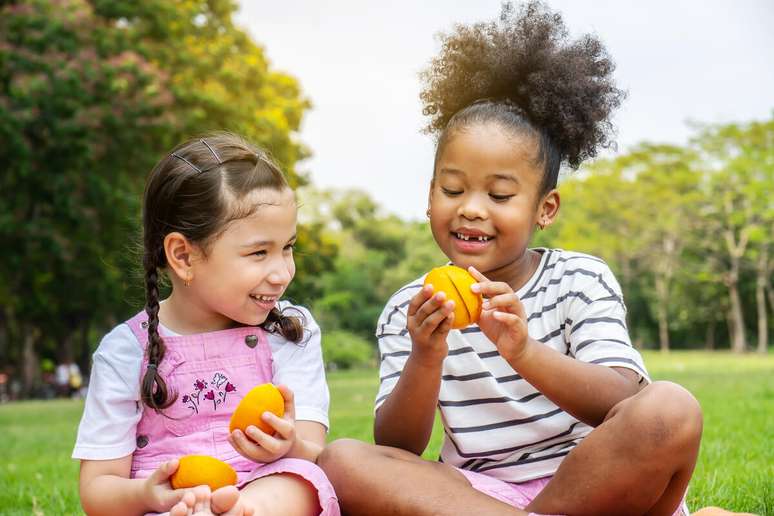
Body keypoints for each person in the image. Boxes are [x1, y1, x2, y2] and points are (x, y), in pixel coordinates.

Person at [317, 3, 704, 515]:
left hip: (599, 485)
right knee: (341, 460)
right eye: (453, 189)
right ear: (429, 195)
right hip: (482, 498)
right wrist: (425, 356)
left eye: (500, 196)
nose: (471, 208)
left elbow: (621, 397)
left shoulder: (579, 280)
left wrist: (524, 351)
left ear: (545, 208)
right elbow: (399, 447)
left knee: (671, 408)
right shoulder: (409, 307)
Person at [73, 134, 339, 516]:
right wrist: (148, 494)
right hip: (173, 506)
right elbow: (98, 489)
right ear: (183, 256)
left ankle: (242, 511)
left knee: (297, 482)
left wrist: (288, 445)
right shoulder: (126, 351)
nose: (282, 272)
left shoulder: (289, 331)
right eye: (259, 253)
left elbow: (313, 455)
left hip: (266, 496)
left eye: (288, 247)